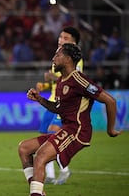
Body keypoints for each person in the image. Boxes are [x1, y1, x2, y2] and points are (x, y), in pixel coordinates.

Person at [19, 43, 122, 196]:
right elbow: (59, 109)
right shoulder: (61, 82)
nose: (53, 58)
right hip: (67, 129)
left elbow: (110, 101)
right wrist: (40, 99)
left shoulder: (79, 80)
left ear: (67, 59)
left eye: (57, 55)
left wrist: (110, 130)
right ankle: (38, 191)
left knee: (41, 155)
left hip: (78, 131)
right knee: (24, 148)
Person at [35, 26, 82, 185]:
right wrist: (45, 85)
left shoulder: (75, 59)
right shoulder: (58, 56)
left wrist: (52, 78)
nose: (60, 39)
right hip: (52, 101)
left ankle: (65, 170)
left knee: (52, 135)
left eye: (65, 38)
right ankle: (50, 175)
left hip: (63, 104)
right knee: (44, 139)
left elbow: (72, 79)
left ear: (73, 42)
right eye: (60, 36)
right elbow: (57, 82)